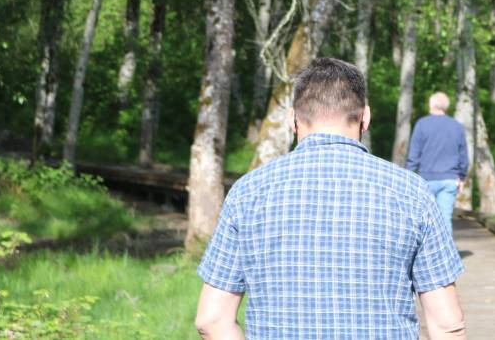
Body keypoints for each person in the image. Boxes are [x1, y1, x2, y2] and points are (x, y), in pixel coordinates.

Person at [194, 58, 466, 340]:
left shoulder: (247, 193)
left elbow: (212, 320)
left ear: (292, 119)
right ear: (365, 118)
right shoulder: (412, 193)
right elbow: (447, 325)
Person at [405, 92, 468, 237]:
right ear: (446, 107)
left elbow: (414, 154)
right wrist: (462, 177)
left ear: (431, 105)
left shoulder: (422, 124)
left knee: (423, 221)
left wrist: (409, 174)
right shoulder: (457, 126)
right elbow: (463, 155)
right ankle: (446, 251)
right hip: (449, 179)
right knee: (445, 220)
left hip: (426, 180)